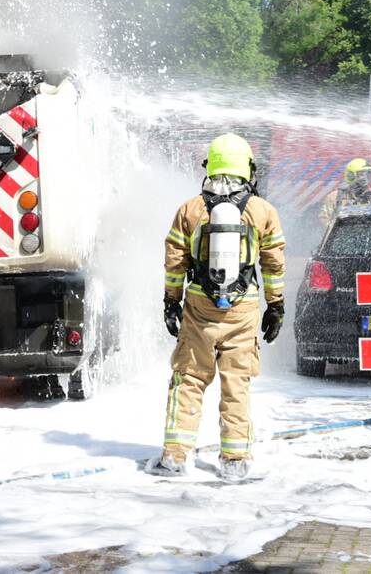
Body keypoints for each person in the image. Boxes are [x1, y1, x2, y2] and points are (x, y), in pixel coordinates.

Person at [150, 133, 285, 482]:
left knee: (189, 378)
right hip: (244, 309)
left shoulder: (191, 209)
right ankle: (235, 461)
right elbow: (273, 264)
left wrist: (170, 301)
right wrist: (276, 306)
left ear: (209, 165)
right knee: (236, 383)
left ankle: (176, 457)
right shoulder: (262, 210)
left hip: (199, 306)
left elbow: (175, 260)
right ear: (248, 169)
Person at [319, 158, 371, 226]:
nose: (366, 179)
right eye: (362, 174)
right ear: (351, 176)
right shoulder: (336, 197)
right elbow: (324, 221)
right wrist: (339, 228)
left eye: (368, 175)